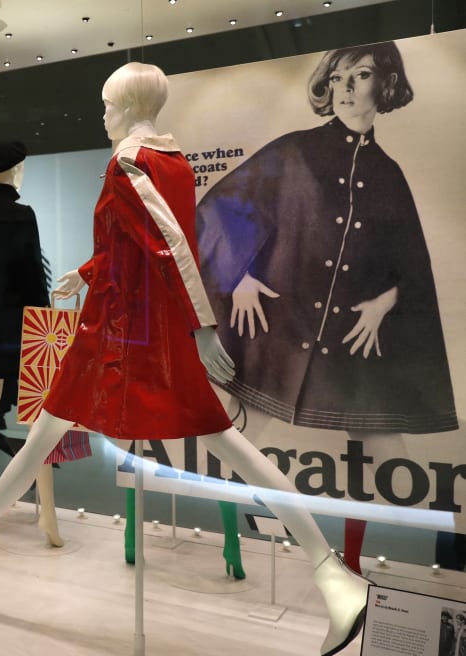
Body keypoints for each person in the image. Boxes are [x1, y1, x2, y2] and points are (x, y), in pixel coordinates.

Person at [0, 62, 370, 656]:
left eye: (107, 104)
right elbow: (128, 249)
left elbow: (173, 250)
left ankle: (332, 575)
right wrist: (83, 272)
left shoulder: (130, 163)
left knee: (199, 440)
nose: (102, 115)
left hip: (126, 337)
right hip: (126, 328)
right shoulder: (174, 163)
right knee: (59, 429)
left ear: (130, 106)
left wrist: (203, 328)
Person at [195, 41, 458, 574]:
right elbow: (216, 215)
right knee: (238, 443)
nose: (346, 88)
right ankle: (231, 541)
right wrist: (239, 276)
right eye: (338, 78)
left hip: (351, 345)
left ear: (383, 86)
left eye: (360, 76)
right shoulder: (291, 151)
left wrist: (385, 301)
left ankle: (365, 564)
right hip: (281, 334)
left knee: (389, 458)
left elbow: (410, 268)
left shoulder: (388, 174)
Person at [0, 140, 65, 546]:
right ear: (16, 170)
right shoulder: (24, 216)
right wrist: (43, 322)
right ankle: (48, 514)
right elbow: (33, 276)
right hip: (24, 328)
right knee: (39, 418)